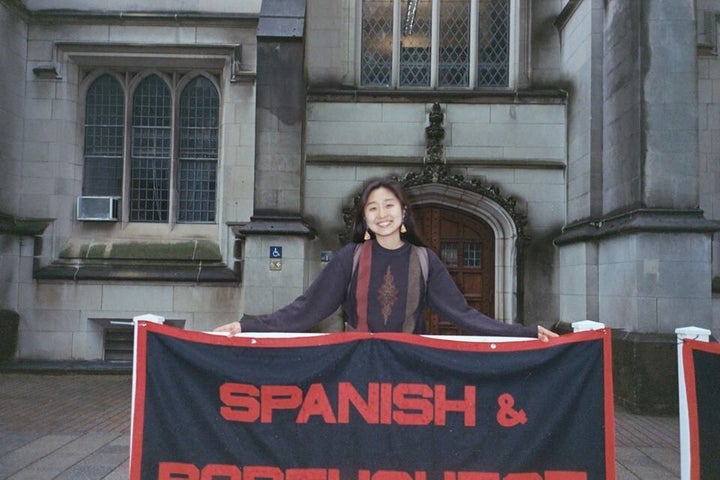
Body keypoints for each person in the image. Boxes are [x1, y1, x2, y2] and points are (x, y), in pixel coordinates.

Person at [215, 178, 558, 341]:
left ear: (404, 212)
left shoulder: (425, 261)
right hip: (356, 369)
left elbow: (463, 315)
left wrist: (525, 334)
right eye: (373, 207)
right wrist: (248, 327)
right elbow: (307, 309)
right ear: (364, 217)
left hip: (409, 371)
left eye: (389, 205)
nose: (382, 214)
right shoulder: (350, 258)